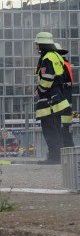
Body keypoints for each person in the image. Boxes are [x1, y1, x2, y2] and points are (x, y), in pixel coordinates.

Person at [34, 31, 71, 163]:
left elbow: (47, 79)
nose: (36, 47)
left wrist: (39, 90)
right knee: (55, 129)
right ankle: (57, 156)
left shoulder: (47, 58)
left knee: (49, 130)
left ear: (42, 44)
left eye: (37, 44)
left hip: (49, 101)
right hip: (57, 98)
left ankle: (55, 157)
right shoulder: (56, 56)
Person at [55, 41, 75, 149]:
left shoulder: (61, 65)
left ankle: (66, 154)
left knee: (63, 132)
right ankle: (69, 153)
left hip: (63, 102)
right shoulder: (65, 64)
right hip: (66, 102)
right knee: (65, 131)